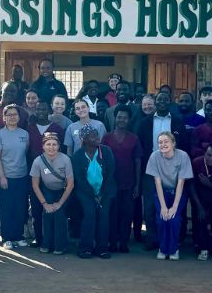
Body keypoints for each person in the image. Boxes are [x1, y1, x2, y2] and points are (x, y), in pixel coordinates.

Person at [135, 91, 187, 251]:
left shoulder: (178, 122)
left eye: (165, 99)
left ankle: (174, 239)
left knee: (174, 205)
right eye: (159, 99)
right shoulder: (145, 122)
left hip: (174, 170)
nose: (162, 102)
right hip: (151, 169)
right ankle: (153, 238)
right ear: (155, 102)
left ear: (170, 102)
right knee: (150, 207)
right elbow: (140, 147)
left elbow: (184, 145)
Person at [147, 131, 194, 260]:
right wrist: (163, 206)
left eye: (166, 141)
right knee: (162, 218)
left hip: (178, 192)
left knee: (174, 218)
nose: (163, 144)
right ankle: (163, 249)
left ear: (173, 143)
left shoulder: (183, 156)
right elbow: (157, 181)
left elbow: (181, 182)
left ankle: (173, 249)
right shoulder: (154, 156)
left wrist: (174, 207)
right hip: (162, 192)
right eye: (160, 142)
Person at [71, 125, 116, 259]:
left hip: (106, 191)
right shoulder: (77, 156)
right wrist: (93, 195)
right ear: (84, 139)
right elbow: (80, 179)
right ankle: (85, 248)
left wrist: (101, 194)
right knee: (89, 215)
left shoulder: (106, 151)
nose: (97, 138)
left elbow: (111, 174)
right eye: (92, 136)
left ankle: (102, 248)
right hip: (85, 192)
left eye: (97, 135)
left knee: (103, 216)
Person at [25, 100, 66, 247]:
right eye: (38, 109)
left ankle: (53, 238)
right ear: (35, 110)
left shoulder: (57, 129)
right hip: (34, 172)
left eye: (44, 108)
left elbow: (62, 151)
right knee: (36, 206)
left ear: (49, 111)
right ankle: (39, 237)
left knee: (52, 206)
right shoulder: (29, 128)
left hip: (53, 174)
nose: (41, 111)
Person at [102, 105, 142, 253]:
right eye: (119, 117)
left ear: (129, 119)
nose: (121, 120)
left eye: (125, 117)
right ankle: (112, 242)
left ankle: (123, 242)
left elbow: (137, 161)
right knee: (112, 213)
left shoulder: (134, 138)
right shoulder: (106, 137)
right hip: (110, 183)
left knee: (127, 213)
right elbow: (101, 160)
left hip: (129, 182)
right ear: (115, 118)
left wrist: (137, 184)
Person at [0, 105, 31, 249]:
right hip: (5, 177)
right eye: (9, 115)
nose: (12, 117)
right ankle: (7, 238)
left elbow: (25, 152)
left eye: (15, 114)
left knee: (20, 207)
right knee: (7, 208)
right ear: (4, 118)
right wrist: (2, 176)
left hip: (21, 177)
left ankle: (18, 236)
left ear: (19, 117)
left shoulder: (24, 134)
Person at [30, 133, 74, 255]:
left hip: (63, 190)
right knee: (47, 212)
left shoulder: (66, 159)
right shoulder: (38, 161)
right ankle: (46, 244)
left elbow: (71, 184)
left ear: (59, 146)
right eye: (48, 144)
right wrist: (45, 203)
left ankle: (60, 245)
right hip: (47, 189)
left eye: (54, 144)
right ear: (43, 146)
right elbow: (35, 185)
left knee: (60, 213)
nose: (51, 147)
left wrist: (60, 203)